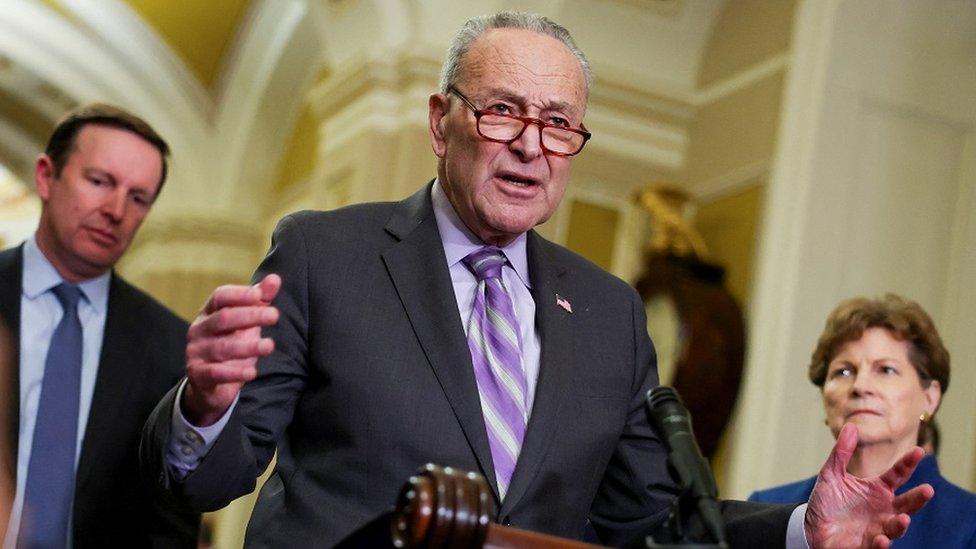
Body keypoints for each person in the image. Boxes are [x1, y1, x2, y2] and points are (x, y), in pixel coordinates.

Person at [142, 12, 931, 548]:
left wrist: (800, 528)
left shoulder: (609, 311)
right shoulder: (325, 253)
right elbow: (209, 479)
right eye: (501, 112)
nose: (530, 145)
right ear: (438, 122)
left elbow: (650, 519)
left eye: (558, 122)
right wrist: (205, 407)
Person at [0, 104, 199, 547]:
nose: (115, 209)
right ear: (46, 176)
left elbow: (170, 520)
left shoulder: (170, 346)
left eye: (138, 197)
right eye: (99, 182)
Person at [750, 294, 976, 547]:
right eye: (843, 371)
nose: (860, 386)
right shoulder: (765, 509)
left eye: (886, 370)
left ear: (930, 398)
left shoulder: (970, 523)